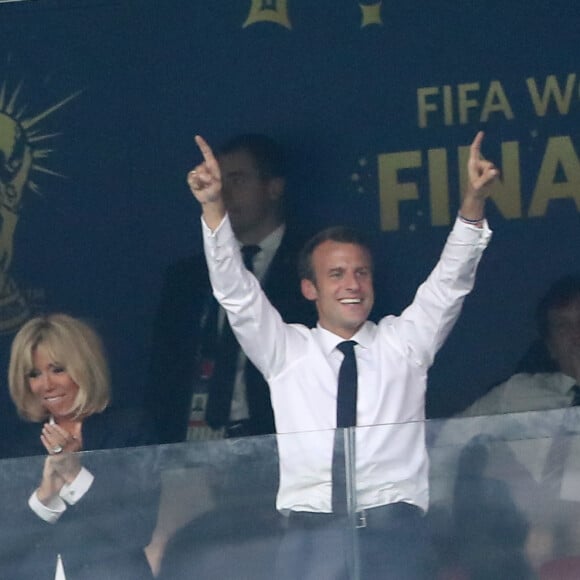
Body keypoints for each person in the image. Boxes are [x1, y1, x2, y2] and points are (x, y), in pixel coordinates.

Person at [186, 131, 497, 579]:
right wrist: (214, 208)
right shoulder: (287, 350)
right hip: (313, 535)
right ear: (310, 289)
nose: (351, 285)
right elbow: (236, 294)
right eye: (335, 274)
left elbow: (451, 282)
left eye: (360, 273)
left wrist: (473, 204)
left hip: (395, 535)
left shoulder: (404, 343)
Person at [146, 133, 315, 444]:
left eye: (238, 180)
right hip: (192, 449)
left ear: (274, 187)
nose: (226, 192)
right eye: (220, 182)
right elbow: (163, 376)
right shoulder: (186, 278)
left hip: (280, 446)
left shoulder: (312, 264)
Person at [0, 313, 159, 580]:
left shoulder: (128, 430)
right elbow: (7, 544)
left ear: (84, 366)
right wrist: (44, 496)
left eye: (57, 369)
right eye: (34, 374)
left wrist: (75, 476)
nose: (46, 384)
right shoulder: (18, 442)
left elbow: (136, 530)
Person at [460, 274, 580, 417]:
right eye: (563, 327)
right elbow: (445, 435)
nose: (576, 333)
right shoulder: (516, 394)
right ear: (551, 347)